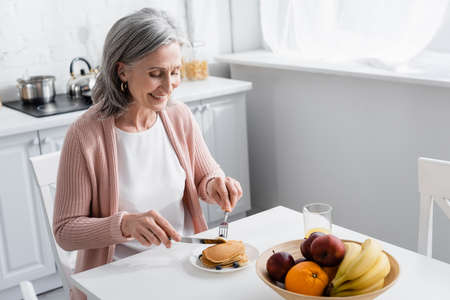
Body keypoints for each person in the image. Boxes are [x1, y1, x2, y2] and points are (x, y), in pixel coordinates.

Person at [53, 8, 243, 300]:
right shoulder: (85, 135)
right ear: (122, 72)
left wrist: (216, 185)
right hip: (117, 277)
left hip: (184, 265)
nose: (169, 87)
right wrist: (124, 224)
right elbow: (66, 231)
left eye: (175, 72)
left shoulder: (179, 117)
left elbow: (205, 176)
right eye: (156, 74)